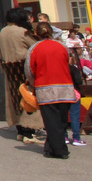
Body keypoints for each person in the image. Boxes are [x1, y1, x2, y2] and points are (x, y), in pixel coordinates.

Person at [27, 21, 74, 159]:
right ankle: (51, 148)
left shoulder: (34, 48)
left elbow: (29, 71)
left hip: (45, 88)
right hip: (65, 87)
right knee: (62, 121)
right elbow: (67, 63)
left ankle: (60, 150)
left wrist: (33, 84)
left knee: (51, 122)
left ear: (37, 33)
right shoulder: (62, 47)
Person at [0, 7, 44, 144]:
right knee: (28, 100)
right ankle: (28, 133)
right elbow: (37, 46)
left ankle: (20, 131)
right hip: (24, 69)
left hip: (9, 69)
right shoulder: (22, 32)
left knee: (15, 100)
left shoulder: (2, 31)